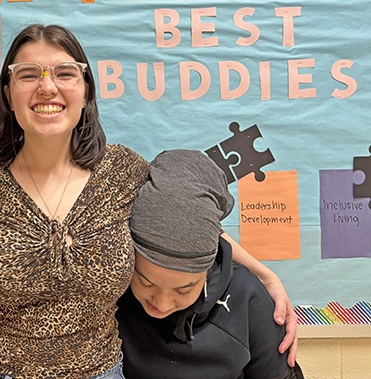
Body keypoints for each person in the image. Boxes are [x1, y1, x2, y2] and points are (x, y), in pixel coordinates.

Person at [0, 24, 298, 379]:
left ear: (86, 91)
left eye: (64, 73)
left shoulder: (122, 172)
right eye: (28, 75)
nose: (47, 87)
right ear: (8, 95)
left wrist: (265, 276)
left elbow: (192, 228)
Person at [117, 150, 304, 379]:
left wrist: (266, 277)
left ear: (208, 270)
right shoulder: (109, 293)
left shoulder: (246, 297)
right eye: (146, 283)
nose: (162, 304)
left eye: (184, 289)